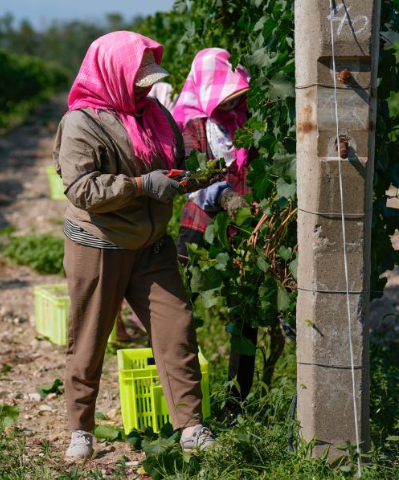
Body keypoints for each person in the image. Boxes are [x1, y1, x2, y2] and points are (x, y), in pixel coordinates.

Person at [53, 31, 215, 461]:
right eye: (138, 79)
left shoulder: (153, 112)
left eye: (149, 81)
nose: (145, 87)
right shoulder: (81, 123)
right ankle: (81, 429)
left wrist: (184, 179)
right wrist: (142, 185)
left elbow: (167, 158)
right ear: (113, 73)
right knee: (89, 339)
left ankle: (191, 426)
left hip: (151, 244)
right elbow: (82, 189)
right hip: (99, 245)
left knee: (176, 328)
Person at [172, 48, 257, 408]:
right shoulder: (191, 122)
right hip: (200, 224)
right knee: (177, 300)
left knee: (246, 310)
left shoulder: (245, 118)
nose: (231, 103)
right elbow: (194, 178)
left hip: (246, 229)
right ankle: (183, 390)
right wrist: (226, 197)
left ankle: (238, 398)